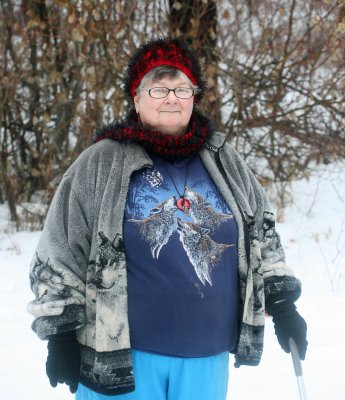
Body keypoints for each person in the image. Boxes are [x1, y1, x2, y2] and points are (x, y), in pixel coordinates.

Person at [28, 37, 307, 400]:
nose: (172, 98)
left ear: (194, 97)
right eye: (158, 88)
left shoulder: (224, 159)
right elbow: (61, 248)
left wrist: (283, 304)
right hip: (123, 360)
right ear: (136, 99)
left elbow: (262, 234)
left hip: (207, 356)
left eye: (181, 88)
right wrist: (61, 334)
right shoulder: (101, 163)